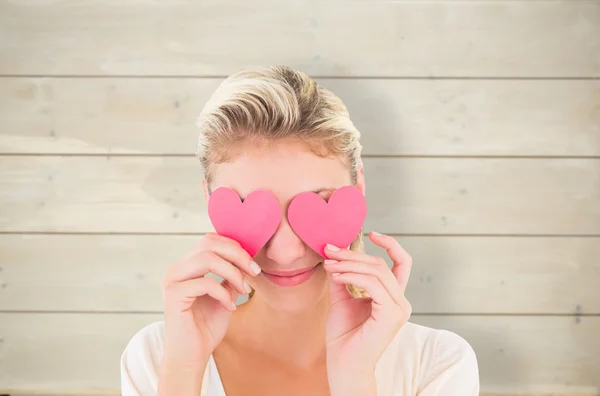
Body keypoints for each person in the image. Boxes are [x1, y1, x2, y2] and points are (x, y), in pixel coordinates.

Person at [120, 65, 480, 395]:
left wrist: (354, 376)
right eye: (254, 211)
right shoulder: (158, 357)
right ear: (209, 201)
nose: (285, 251)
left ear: (358, 190)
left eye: (316, 202)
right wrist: (183, 370)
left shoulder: (437, 364)